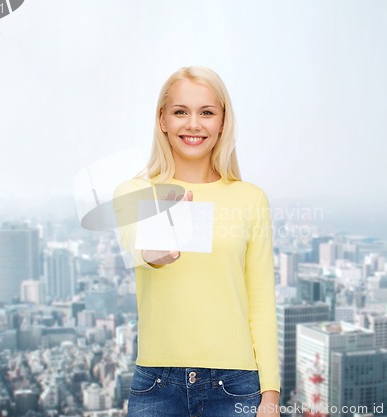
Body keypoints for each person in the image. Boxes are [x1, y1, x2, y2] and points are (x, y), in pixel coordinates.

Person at [113, 66, 280, 416]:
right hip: (156, 386)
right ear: (162, 120)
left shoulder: (250, 199)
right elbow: (137, 248)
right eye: (180, 112)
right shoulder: (135, 193)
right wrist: (155, 251)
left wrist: (270, 397)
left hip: (235, 387)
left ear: (222, 121)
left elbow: (261, 303)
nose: (193, 124)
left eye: (206, 112)